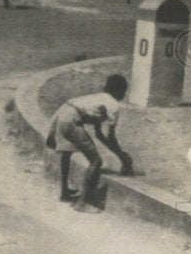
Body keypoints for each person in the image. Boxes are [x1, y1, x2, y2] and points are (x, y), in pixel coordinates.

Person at [45, 74, 134, 213]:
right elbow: (110, 138)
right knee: (96, 161)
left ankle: (64, 193)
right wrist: (122, 156)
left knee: (67, 153)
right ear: (120, 92)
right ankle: (83, 203)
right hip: (72, 118)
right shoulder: (114, 106)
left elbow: (99, 134)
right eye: (123, 92)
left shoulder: (98, 98)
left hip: (62, 112)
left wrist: (120, 155)